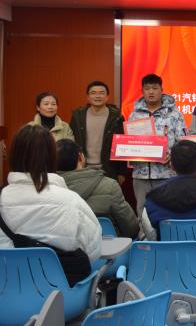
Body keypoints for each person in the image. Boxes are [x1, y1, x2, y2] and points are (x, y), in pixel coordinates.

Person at [0, 125, 101, 285]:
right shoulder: (71, 201)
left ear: (13, 156)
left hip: (7, 292)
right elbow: (94, 251)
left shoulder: (2, 199)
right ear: (52, 157)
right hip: (64, 294)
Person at [129, 74, 187, 218]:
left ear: (162, 90)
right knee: (142, 213)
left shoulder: (175, 115)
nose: (151, 92)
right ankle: (144, 234)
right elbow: (129, 141)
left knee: (167, 212)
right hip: (141, 174)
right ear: (142, 91)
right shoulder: (134, 115)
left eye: (155, 88)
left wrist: (172, 156)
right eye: (147, 88)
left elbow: (182, 143)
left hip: (166, 174)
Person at [56, 138, 139, 239]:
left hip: (64, 247)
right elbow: (131, 228)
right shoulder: (110, 186)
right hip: (109, 246)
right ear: (81, 157)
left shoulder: (47, 190)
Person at [70, 80, 127, 183]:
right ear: (88, 97)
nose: (97, 96)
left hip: (108, 169)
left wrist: (121, 172)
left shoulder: (117, 117)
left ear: (107, 97)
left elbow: (122, 145)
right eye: (93, 93)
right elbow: (72, 142)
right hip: (82, 169)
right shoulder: (78, 116)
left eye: (101, 93)